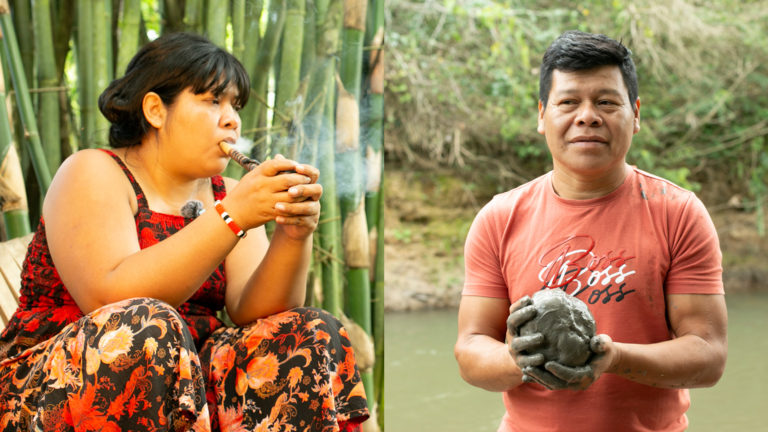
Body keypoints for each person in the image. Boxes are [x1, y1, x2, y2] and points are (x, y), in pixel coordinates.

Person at [0, 32, 368, 431]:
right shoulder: (93, 172)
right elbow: (112, 299)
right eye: (212, 101)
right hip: (59, 387)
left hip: (192, 381)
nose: (232, 119)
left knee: (311, 331)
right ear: (156, 111)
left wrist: (293, 235)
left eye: (235, 105)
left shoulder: (224, 194)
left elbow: (256, 311)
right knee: (149, 324)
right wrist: (232, 217)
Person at [454, 30, 727, 432]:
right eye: (568, 102)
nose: (587, 116)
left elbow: (708, 353)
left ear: (635, 114)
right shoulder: (500, 218)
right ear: (542, 115)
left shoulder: (678, 213)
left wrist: (615, 359)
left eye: (606, 102)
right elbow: (470, 347)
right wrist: (517, 359)